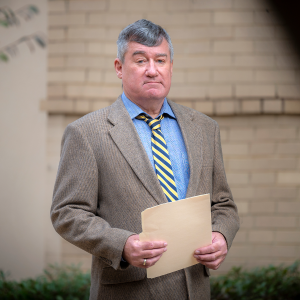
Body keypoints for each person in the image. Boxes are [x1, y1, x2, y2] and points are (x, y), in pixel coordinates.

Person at [51, 19, 239, 300]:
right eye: (140, 60)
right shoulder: (87, 133)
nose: (152, 70)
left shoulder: (204, 128)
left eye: (160, 60)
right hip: (129, 290)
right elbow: (67, 212)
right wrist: (122, 244)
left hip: (194, 289)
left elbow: (223, 204)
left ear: (171, 67)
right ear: (119, 68)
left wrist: (221, 235)